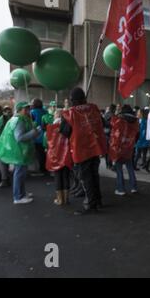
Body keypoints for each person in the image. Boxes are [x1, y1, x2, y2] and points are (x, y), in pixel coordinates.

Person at [61, 87, 107, 215]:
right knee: (94, 176)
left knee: (85, 178)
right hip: (95, 148)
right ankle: (98, 201)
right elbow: (102, 124)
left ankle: (90, 204)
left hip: (81, 150)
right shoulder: (94, 109)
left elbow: (65, 132)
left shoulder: (70, 114)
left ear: (72, 100)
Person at [0, 102, 40, 204]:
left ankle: (21, 193)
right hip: (20, 151)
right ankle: (18, 197)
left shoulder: (19, 118)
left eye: (28, 108)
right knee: (19, 173)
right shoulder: (19, 120)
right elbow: (19, 137)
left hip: (21, 151)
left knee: (21, 173)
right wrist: (34, 132)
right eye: (26, 108)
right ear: (19, 109)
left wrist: (34, 131)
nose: (28, 110)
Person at [109, 105, 139, 196]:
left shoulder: (120, 121)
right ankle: (134, 187)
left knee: (119, 170)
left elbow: (115, 135)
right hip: (129, 149)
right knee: (130, 168)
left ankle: (121, 189)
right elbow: (137, 135)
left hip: (119, 149)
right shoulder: (135, 122)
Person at [46, 109, 73, 206]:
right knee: (66, 176)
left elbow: (47, 142)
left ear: (56, 116)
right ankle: (66, 199)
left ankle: (60, 199)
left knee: (58, 177)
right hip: (66, 155)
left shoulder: (51, 127)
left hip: (55, 156)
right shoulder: (68, 126)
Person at [30, 98, 48, 175]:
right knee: (44, 153)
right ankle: (45, 168)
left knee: (39, 154)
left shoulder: (32, 112)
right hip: (45, 135)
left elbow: (32, 123)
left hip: (37, 135)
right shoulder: (45, 111)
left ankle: (42, 170)